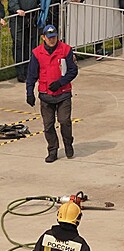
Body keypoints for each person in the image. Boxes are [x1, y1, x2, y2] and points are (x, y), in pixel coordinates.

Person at [26, 24, 79, 163]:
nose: (52, 40)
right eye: (49, 37)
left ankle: (68, 143)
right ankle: (53, 150)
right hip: (45, 95)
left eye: (54, 37)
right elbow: (31, 74)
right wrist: (29, 92)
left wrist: (60, 82)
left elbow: (73, 71)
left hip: (63, 94)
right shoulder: (37, 53)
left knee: (64, 121)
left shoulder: (66, 50)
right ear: (43, 37)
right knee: (48, 125)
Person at [7, 0, 39, 82]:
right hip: (18, 18)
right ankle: (21, 73)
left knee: (31, 43)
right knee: (19, 44)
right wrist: (17, 9)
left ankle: (30, 70)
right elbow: (12, 2)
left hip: (32, 15)